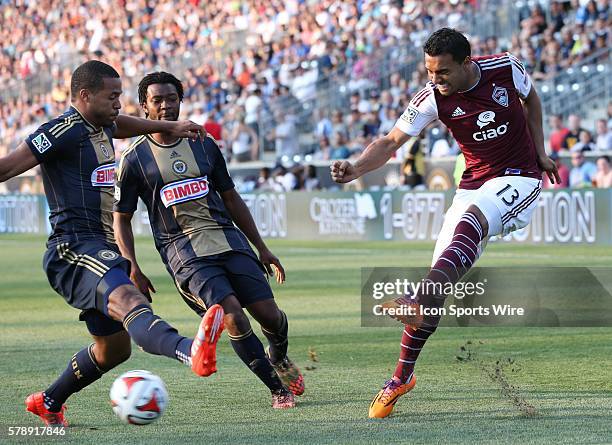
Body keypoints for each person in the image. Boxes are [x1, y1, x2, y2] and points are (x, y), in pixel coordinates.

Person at [330, 28, 559, 418]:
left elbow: (531, 99)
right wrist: (355, 167)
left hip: (520, 177)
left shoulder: (506, 67)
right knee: (440, 277)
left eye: (443, 73)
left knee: (470, 224)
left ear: (467, 63)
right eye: (429, 72)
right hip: (473, 184)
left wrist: (541, 152)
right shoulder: (431, 98)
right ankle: (402, 376)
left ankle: (415, 299)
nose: (435, 80)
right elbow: (390, 142)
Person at [0, 61, 225, 427]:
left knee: (113, 350)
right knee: (130, 301)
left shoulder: (102, 124)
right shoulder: (62, 130)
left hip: (98, 247)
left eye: (121, 95)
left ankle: (48, 402)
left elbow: (124, 125)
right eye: (113, 96)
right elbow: (7, 167)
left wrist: (170, 126)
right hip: (72, 248)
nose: (120, 103)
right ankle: (190, 349)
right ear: (85, 96)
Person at [113, 72, 303, 409]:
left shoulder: (202, 143)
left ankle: (279, 356)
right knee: (233, 317)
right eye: (157, 100)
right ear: (144, 106)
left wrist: (262, 247)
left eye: (172, 98)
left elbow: (231, 198)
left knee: (270, 316)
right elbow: (121, 218)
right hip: (184, 253)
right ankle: (277, 389)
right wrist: (132, 267)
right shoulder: (134, 159)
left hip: (228, 240)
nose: (166, 105)